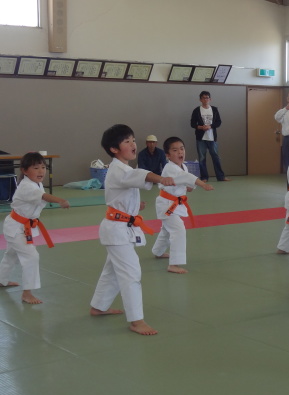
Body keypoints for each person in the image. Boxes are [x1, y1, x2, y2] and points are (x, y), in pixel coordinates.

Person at [89, 124, 176, 336]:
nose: (133, 144)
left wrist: (135, 206)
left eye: (133, 140)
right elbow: (141, 175)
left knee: (112, 271)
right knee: (131, 272)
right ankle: (136, 321)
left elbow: (124, 192)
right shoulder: (119, 169)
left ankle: (98, 306)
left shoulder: (123, 169)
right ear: (114, 149)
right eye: (127, 141)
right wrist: (161, 178)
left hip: (121, 226)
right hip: (116, 230)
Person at [0, 152, 70, 304]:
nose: (41, 171)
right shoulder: (26, 186)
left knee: (11, 255)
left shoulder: (36, 184)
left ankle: (1, 280)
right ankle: (27, 293)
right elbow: (43, 196)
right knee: (31, 256)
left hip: (19, 226)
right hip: (16, 228)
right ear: (24, 170)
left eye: (43, 167)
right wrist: (60, 200)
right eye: (36, 168)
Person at [151, 137, 214, 274]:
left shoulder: (183, 166)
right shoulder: (170, 167)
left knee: (166, 230)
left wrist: (188, 187)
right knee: (178, 230)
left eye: (182, 149)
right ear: (168, 155)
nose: (180, 152)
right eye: (175, 150)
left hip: (174, 204)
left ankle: (158, 251)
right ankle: (174, 264)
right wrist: (202, 184)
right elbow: (186, 177)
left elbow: (184, 180)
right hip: (167, 205)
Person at [190, 91, 229, 182]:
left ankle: (221, 177)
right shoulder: (196, 110)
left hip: (212, 138)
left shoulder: (214, 109)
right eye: (203, 98)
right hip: (201, 138)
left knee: (216, 157)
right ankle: (204, 177)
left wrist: (210, 126)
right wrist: (201, 127)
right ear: (200, 99)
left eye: (207, 98)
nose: (205, 99)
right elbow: (192, 124)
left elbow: (219, 122)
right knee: (202, 158)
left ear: (210, 99)